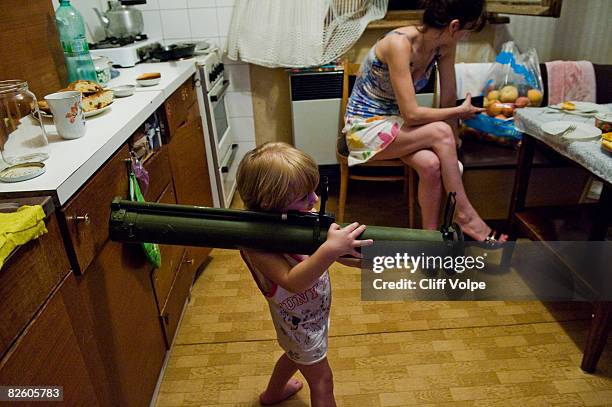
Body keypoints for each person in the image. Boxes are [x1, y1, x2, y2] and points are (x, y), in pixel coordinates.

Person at [344, 0, 507, 244]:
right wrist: (453, 121)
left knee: (431, 165)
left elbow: (449, 98)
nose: (464, 37)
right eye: (466, 30)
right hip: (365, 128)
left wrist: (453, 142)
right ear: (454, 26)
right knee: (440, 131)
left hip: (397, 125)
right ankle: (465, 215)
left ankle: (429, 242)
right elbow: (412, 114)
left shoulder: (444, 47)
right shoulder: (399, 44)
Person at [236, 142, 373, 406]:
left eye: (314, 190)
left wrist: (355, 260)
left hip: (310, 318)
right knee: (322, 380)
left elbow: (323, 253)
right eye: (304, 197)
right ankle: (274, 393)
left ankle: (273, 394)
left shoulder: (294, 219)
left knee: (293, 356)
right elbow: (293, 281)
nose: (315, 200)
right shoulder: (256, 243)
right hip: (298, 325)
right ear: (269, 202)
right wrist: (330, 250)